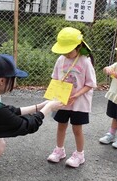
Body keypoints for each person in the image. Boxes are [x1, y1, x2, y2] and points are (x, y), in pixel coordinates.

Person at [47, 27, 97, 168]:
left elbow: (90, 84)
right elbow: (55, 79)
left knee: (77, 129)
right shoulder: (60, 60)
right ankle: (59, 150)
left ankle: (80, 154)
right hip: (62, 101)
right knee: (61, 125)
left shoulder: (85, 61)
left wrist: (76, 95)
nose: (66, 54)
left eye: (68, 50)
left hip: (80, 103)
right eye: (63, 50)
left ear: (78, 46)